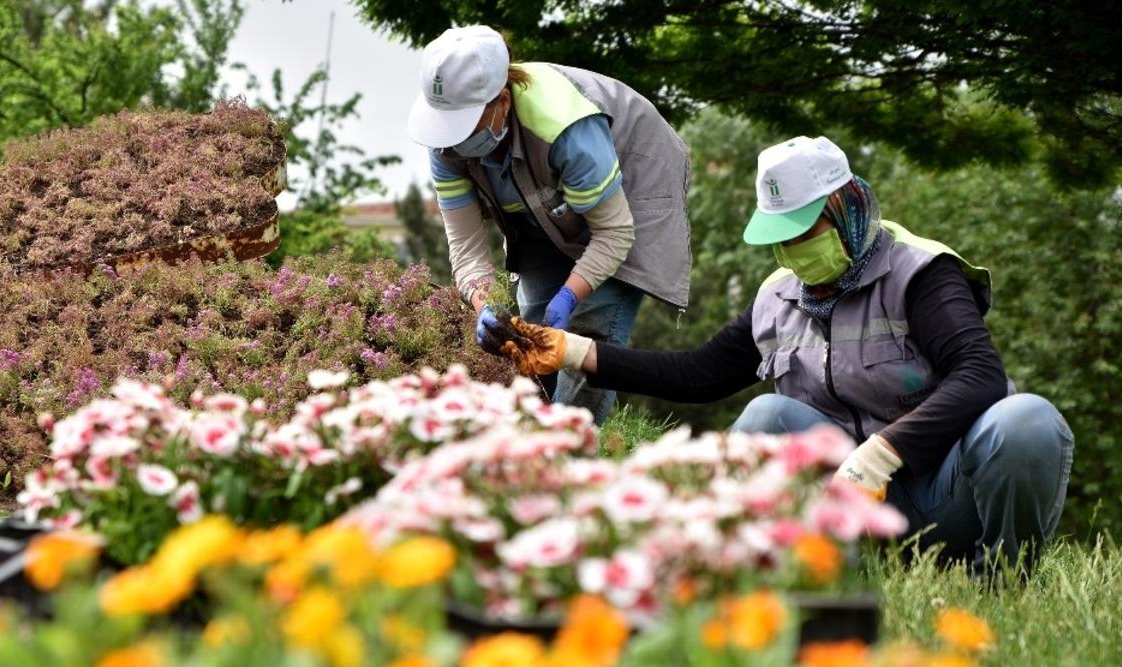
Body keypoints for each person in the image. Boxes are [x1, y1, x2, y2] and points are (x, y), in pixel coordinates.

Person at [496, 135, 1074, 574]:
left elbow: (979, 375)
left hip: (950, 497)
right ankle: (823, 576)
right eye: (781, 235)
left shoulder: (922, 274)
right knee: (765, 419)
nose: (791, 250)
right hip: (858, 513)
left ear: (846, 208)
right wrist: (572, 351)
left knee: (1025, 421)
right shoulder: (778, 296)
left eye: (804, 231)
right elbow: (699, 374)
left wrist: (883, 453)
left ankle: (1002, 580)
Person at [406, 25, 692, 425]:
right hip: (542, 205)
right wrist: (483, 303)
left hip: (631, 189)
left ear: (501, 101)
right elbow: (466, 247)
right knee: (533, 333)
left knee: (587, 333)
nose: (453, 142)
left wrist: (570, 297)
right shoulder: (445, 147)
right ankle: (536, 441)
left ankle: (570, 450)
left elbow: (613, 232)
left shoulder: (565, 126)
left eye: (464, 126)